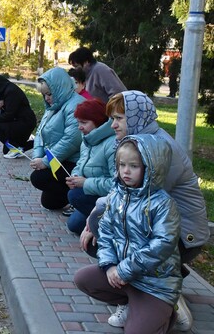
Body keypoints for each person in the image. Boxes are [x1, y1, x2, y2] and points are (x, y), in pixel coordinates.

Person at [80, 90, 210, 331]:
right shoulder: (137, 141)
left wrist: (94, 218)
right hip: (151, 226)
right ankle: (132, 292)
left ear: (137, 117)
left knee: (99, 223)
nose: (112, 124)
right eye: (112, 118)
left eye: (119, 118)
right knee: (98, 227)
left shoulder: (158, 149)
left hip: (182, 237)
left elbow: (140, 201)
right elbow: (122, 197)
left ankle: (168, 295)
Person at [74, 135, 182, 333]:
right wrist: (109, 266)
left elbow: (163, 244)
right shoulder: (117, 195)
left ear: (151, 168)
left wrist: (124, 270)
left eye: (134, 166)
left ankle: (166, 314)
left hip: (155, 283)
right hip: (124, 277)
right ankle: (129, 302)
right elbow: (105, 232)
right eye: (121, 164)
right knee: (83, 279)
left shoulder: (163, 204)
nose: (126, 171)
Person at [29, 67, 85, 209]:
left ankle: (77, 199)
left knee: (38, 178)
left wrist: (46, 162)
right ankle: (71, 197)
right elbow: (40, 134)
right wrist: (37, 157)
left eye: (49, 94)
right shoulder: (53, 107)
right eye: (44, 95)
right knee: (49, 203)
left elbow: (72, 140)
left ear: (59, 89)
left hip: (74, 162)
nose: (47, 98)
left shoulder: (76, 105)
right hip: (59, 159)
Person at [64, 98, 116, 234]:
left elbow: (116, 184)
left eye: (84, 122)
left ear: (98, 121)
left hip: (108, 199)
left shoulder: (112, 145)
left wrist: (86, 183)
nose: (79, 127)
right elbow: (81, 162)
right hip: (92, 192)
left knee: (75, 195)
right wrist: (75, 176)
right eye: (78, 122)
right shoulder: (87, 138)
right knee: (73, 225)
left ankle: (111, 225)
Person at [0, 73, 37, 158]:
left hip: (25, 122)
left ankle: (17, 148)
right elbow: (4, 114)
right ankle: (33, 143)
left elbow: (9, 115)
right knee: (6, 151)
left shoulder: (11, 91)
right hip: (16, 121)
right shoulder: (2, 91)